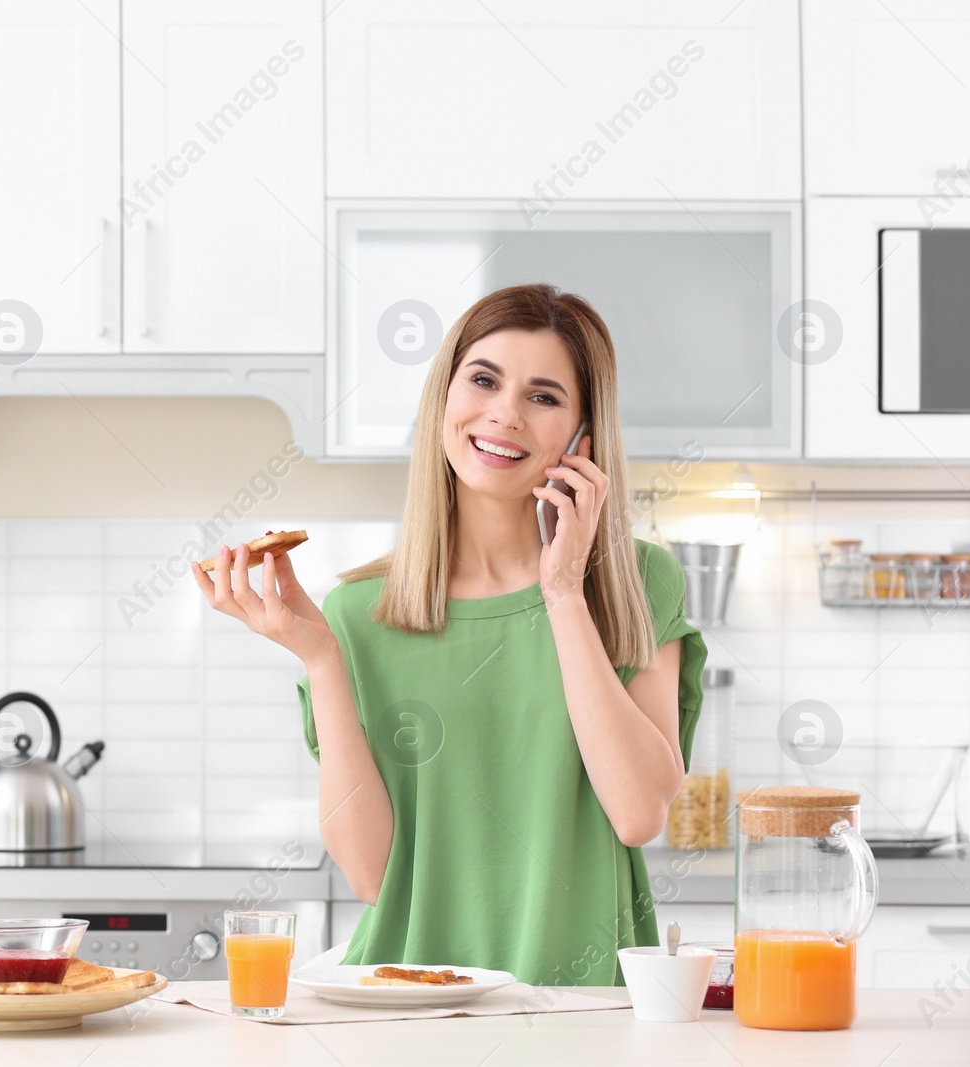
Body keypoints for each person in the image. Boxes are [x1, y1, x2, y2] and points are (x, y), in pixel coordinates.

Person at [193, 283, 708, 985]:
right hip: (409, 1011)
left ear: (583, 438)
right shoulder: (354, 615)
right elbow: (374, 875)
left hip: (584, 1011)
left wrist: (562, 589)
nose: (505, 413)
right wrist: (321, 660)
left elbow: (638, 811)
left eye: (545, 396)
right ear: (444, 397)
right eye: (485, 380)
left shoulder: (637, 584)